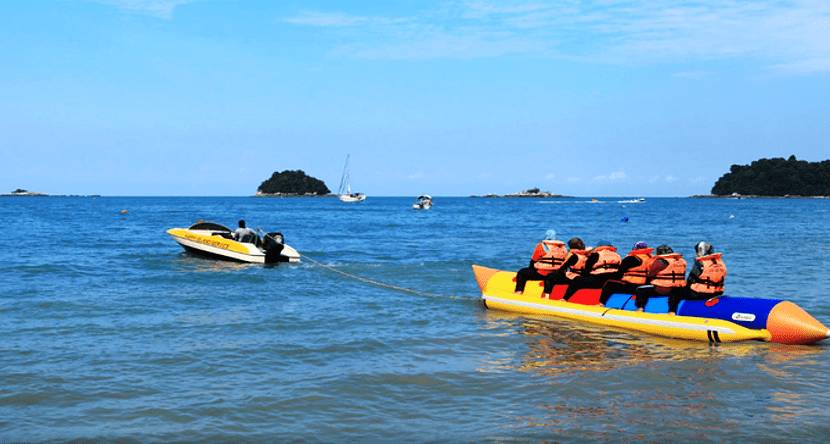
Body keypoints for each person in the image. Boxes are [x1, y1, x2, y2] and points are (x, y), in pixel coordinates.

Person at [668, 242, 727, 314]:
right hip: (717, 293)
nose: (696, 254)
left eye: (697, 252)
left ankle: (672, 312)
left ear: (700, 251)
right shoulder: (720, 262)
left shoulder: (700, 263)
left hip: (701, 294)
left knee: (675, 291)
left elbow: (691, 279)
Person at [514, 230, 568, 298]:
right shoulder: (563, 248)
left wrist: (531, 269)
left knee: (522, 272)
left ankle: (519, 291)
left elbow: (533, 260)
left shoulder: (541, 246)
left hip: (542, 273)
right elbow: (565, 263)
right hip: (556, 274)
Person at [633, 244, 687, 313]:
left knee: (640, 290)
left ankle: (640, 309)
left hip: (662, 288)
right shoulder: (682, 261)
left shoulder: (660, 261)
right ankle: (672, 310)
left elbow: (651, 274)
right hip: (678, 289)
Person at [598, 241, 654, 306]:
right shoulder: (652, 259)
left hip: (633, 285)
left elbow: (619, 273)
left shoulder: (631, 258)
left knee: (609, 283)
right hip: (647, 285)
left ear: (635, 249)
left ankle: (601, 303)